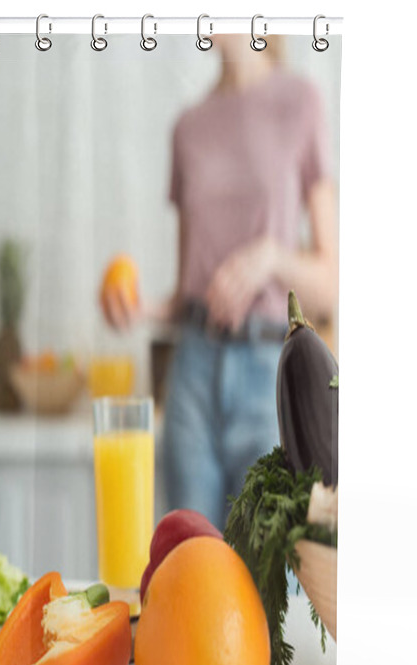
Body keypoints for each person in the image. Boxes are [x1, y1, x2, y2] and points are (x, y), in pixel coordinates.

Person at [102, 35, 338, 531]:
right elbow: (189, 290)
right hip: (191, 374)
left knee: (273, 587)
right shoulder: (188, 128)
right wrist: (138, 309)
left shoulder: (300, 102)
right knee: (188, 567)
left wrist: (270, 258)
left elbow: (332, 282)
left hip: (269, 379)